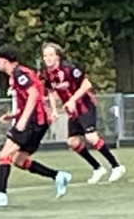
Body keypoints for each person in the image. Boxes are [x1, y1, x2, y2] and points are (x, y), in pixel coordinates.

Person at [0, 46, 71, 207]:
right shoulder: (18, 74)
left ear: (4, 60)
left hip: (32, 122)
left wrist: (23, 120)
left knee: (4, 154)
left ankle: (1, 195)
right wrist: (14, 116)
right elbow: (29, 99)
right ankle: (57, 176)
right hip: (38, 123)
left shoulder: (18, 73)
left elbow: (33, 94)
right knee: (19, 160)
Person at [42, 42, 125, 183]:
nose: (48, 58)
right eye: (45, 56)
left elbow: (87, 84)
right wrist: (54, 110)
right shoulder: (47, 74)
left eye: (51, 55)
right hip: (72, 110)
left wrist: (72, 100)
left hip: (85, 106)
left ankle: (116, 166)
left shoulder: (69, 69)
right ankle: (98, 168)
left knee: (91, 137)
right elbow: (50, 91)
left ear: (57, 56)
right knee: (72, 141)